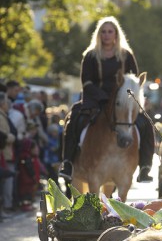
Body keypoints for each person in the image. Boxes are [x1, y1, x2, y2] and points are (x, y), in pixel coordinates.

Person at [58, 16, 155, 183]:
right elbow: (86, 82)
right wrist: (102, 97)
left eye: (110, 31)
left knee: (146, 124)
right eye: (103, 32)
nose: (107, 35)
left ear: (116, 34)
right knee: (75, 119)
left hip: (123, 102)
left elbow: (134, 81)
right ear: (99, 34)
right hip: (96, 99)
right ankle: (68, 163)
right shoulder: (90, 56)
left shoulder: (126, 55)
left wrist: (126, 98)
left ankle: (145, 167)